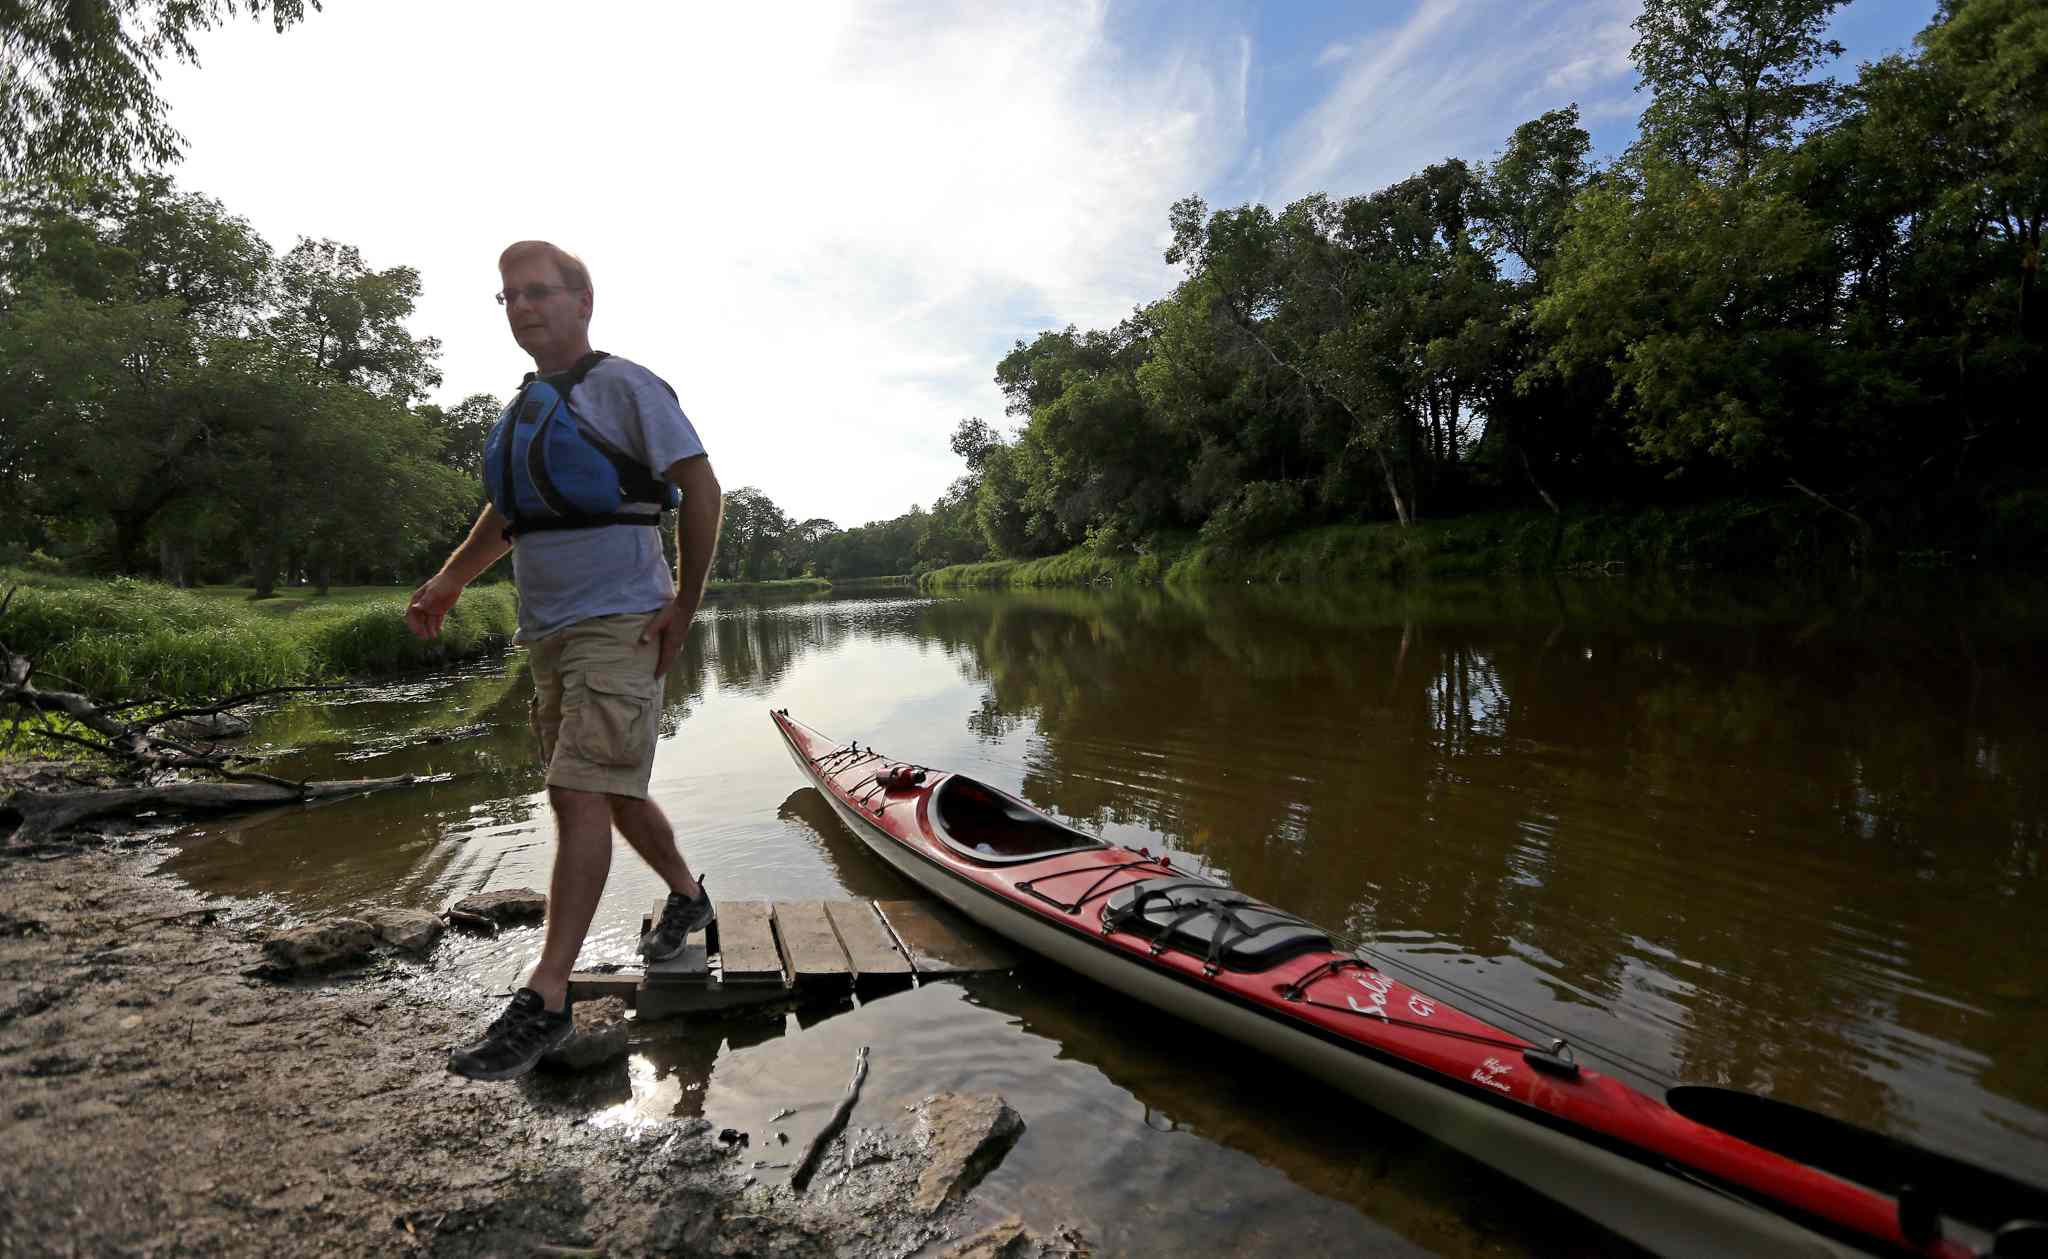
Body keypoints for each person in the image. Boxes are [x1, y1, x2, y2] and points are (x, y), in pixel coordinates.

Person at [406, 240, 724, 1082]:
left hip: (622, 621)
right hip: (544, 631)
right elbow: (507, 514)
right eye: (508, 296)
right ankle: (689, 897)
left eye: (538, 291)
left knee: (575, 788)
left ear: (583, 300)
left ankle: (547, 996)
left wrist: (685, 603)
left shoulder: (627, 386)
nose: (522, 307)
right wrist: (448, 581)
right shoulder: (523, 409)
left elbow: (702, 488)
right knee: (608, 788)